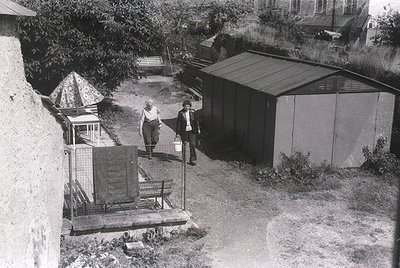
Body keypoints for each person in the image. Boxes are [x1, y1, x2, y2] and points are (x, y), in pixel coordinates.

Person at [175, 100, 200, 166]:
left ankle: (193, 159)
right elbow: (179, 123)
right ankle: (184, 159)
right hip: (184, 131)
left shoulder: (193, 112)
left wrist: (198, 129)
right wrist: (177, 133)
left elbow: (196, 121)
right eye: (185, 106)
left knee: (192, 144)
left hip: (192, 130)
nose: (187, 107)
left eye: (188, 106)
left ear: (190, 106)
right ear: (183, 106)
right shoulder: (180, 113)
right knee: (184, 144)